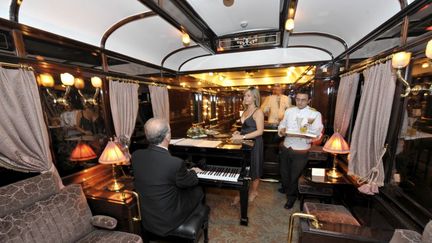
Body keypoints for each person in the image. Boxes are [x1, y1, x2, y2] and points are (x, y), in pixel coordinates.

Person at [132, 118, 205, 236]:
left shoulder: (136, 156)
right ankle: (195, 216)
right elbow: (190, 181)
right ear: (167, 136)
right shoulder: (174, 163)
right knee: (198, 190)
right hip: (167, 222)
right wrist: (192, 171)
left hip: (147, 218)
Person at [277, 90, 323, 209]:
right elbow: (282, 125)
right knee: (284, 174)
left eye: (303, 100)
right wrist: (281, 130)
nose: (300, 102)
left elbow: (317, 134)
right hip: (287, 147)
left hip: (301, 150)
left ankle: (291, 198)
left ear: (308, 101)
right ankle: (289, 190)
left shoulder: (315, 114)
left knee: (294, 176)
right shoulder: (289, 111)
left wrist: (306, 136)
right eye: (297, 99)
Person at [232, 87, 264, 204]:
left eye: (248, 95)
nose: (245, 98)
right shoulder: (245, 111)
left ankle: (254, 192)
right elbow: (246, 128)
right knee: (243, 168)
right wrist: (239, 132)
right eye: (245, 95)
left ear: (255, 97)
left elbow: (260, 131)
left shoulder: (258, 111)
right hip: (245, 143)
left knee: (255, 167)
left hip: (255, 143)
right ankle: (241, 192)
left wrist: (242, 137)